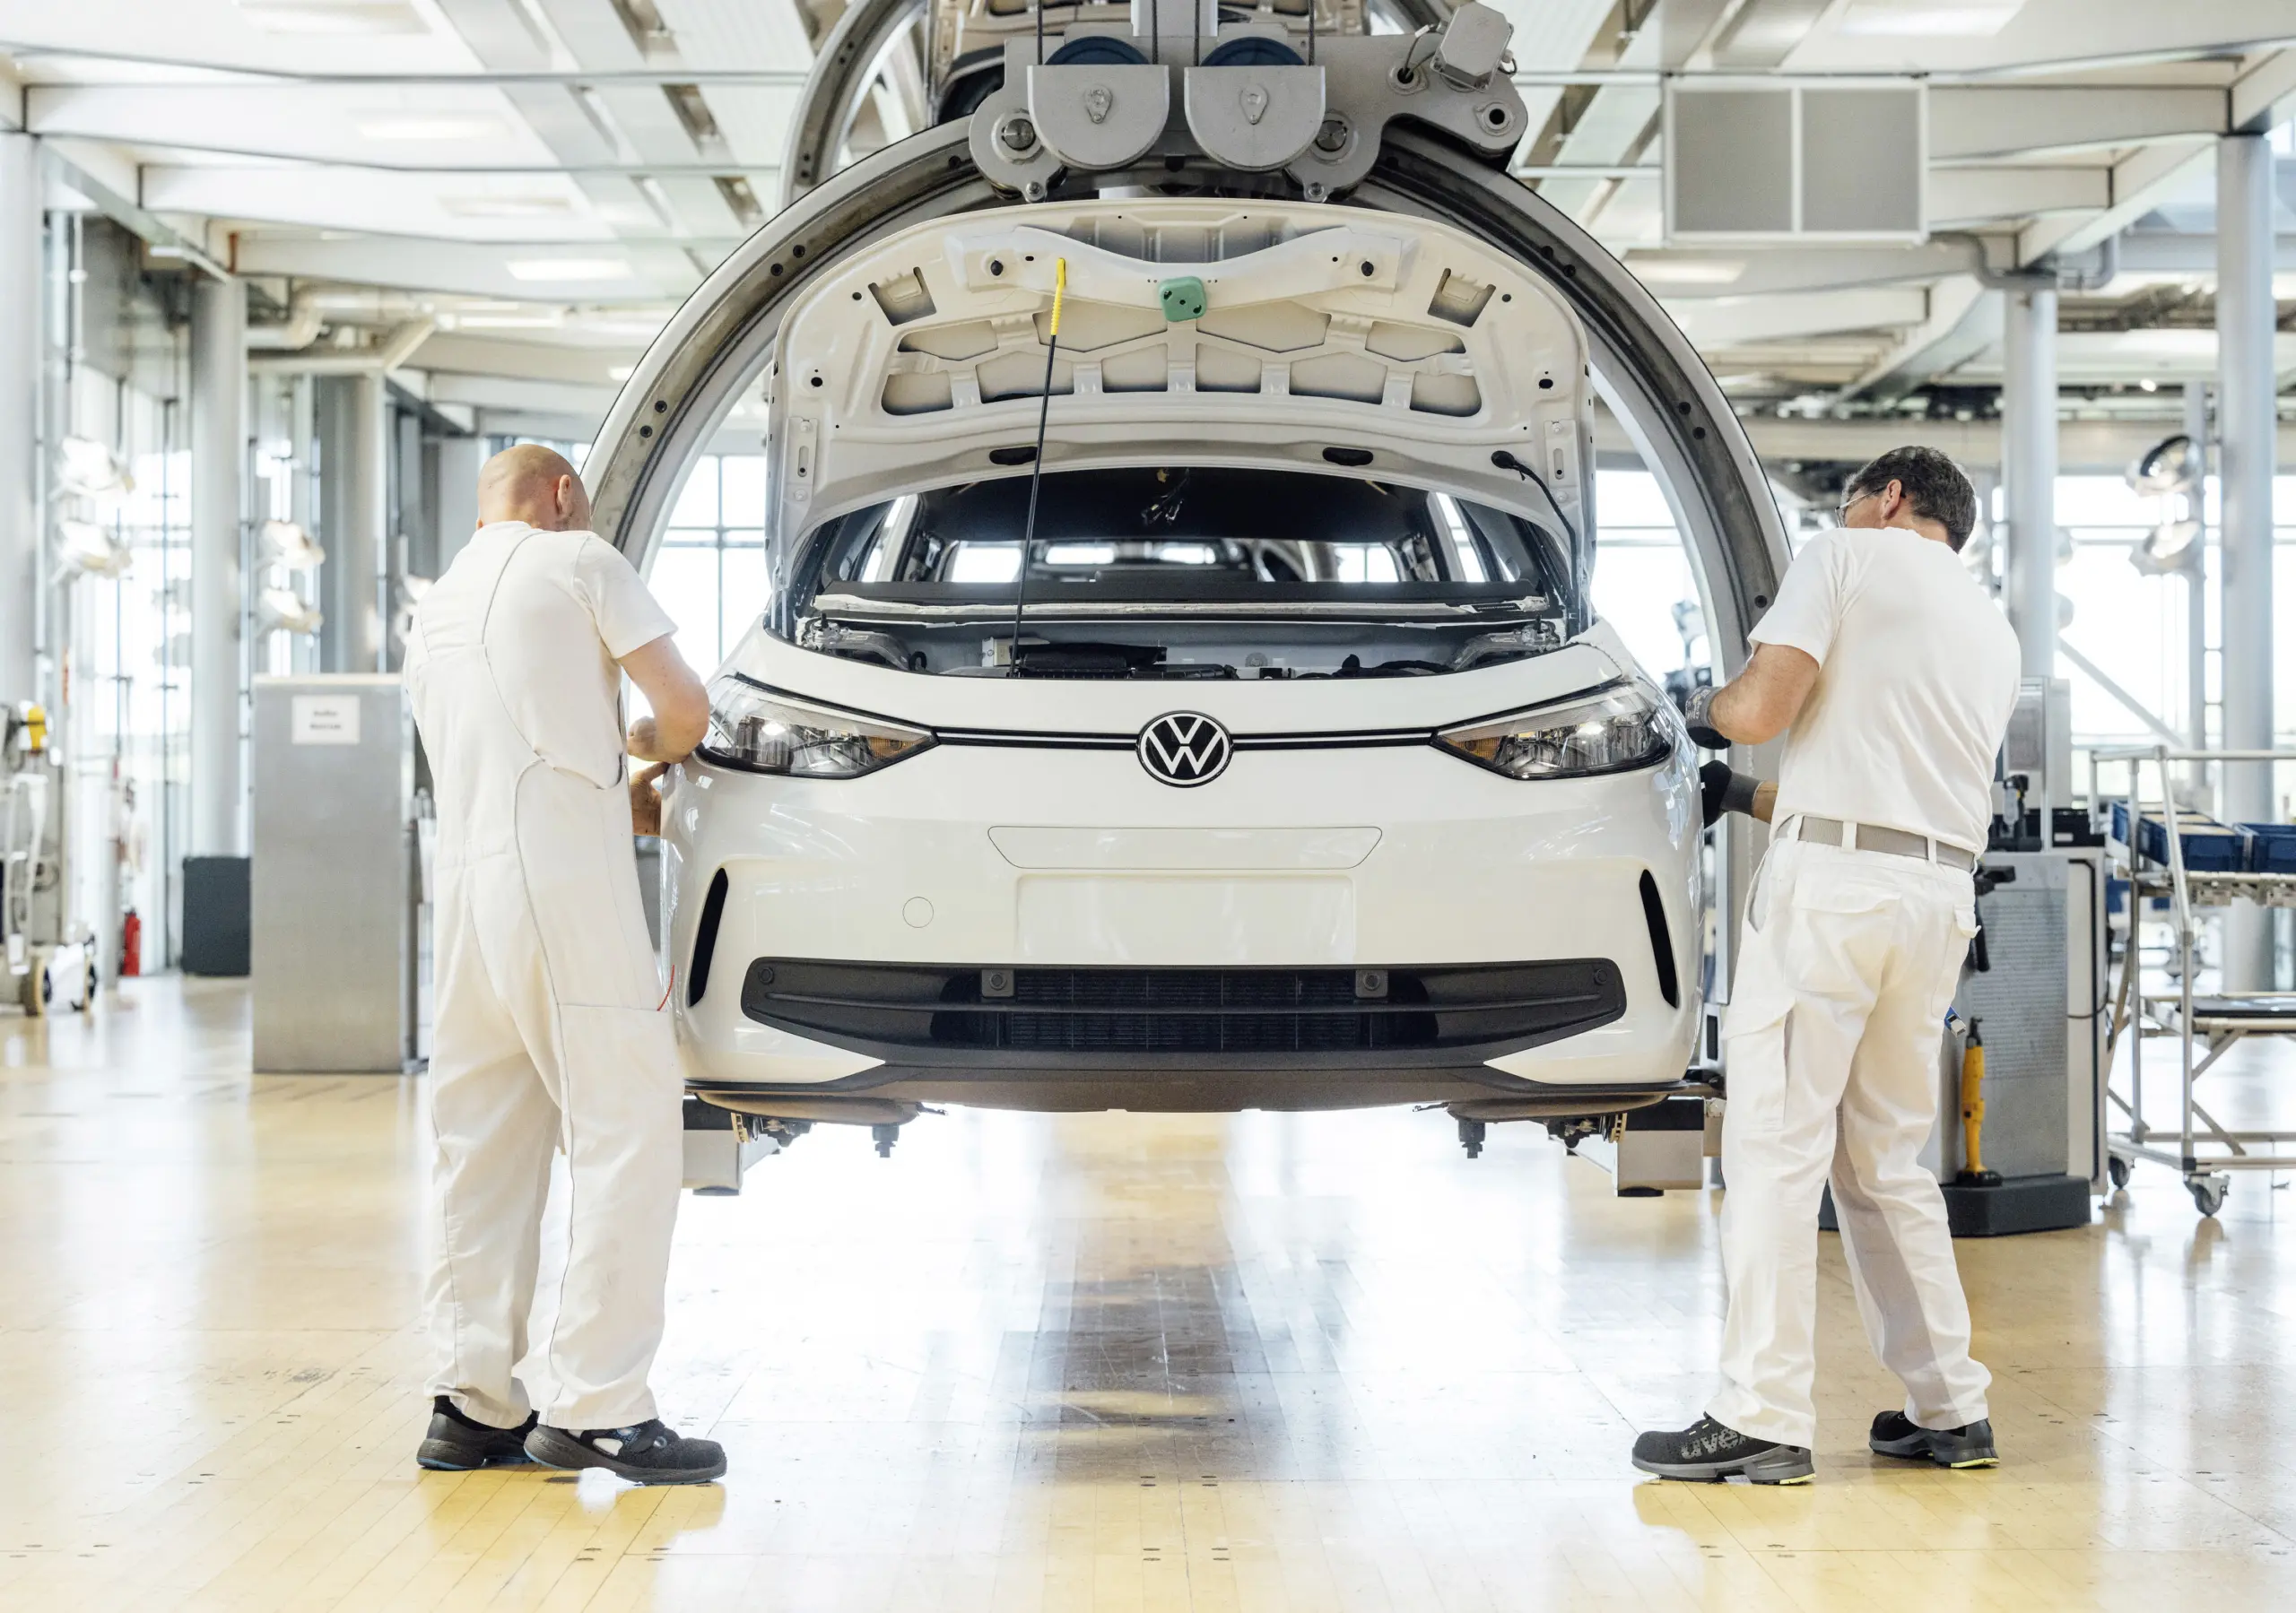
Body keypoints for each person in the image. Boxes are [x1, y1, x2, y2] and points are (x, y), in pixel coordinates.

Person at [1632, 446, 2020, 1486]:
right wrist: (1741, 796)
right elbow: (1877, 792)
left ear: (1887, 497)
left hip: (1832, 903)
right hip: (1932, 898)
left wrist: (1700, 710)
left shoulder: (1843, 556)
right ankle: (1949, 1407)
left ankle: (1757, 1413)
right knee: (1885, 1160)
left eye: (1853, 501)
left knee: (1774, 1144)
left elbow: (1760, 713)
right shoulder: (1990, 626)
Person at [404, 445, 725, 1484]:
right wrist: (645, 752)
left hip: (465, 897)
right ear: (561, 495)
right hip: (562, 893)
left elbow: (510, 742)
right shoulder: (579, 558)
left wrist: (597, 789)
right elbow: (685, 712)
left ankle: (470, 1401)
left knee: (482, 1141)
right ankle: (601, 1405)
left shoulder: (435, 606)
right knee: (628, 1125)